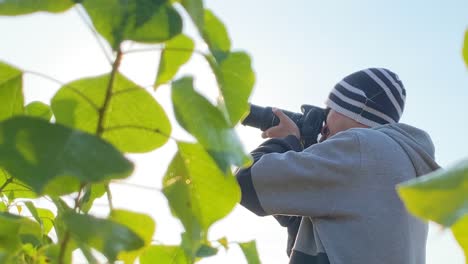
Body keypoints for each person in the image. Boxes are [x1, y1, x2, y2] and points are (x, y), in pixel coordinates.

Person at [236, 68, 440, 264]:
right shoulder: (405, 165)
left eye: (330, 109)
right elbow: (324, 242)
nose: (324, 122)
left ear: (356, 108)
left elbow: (245, 182)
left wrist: (288, 140)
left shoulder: (360, 147)